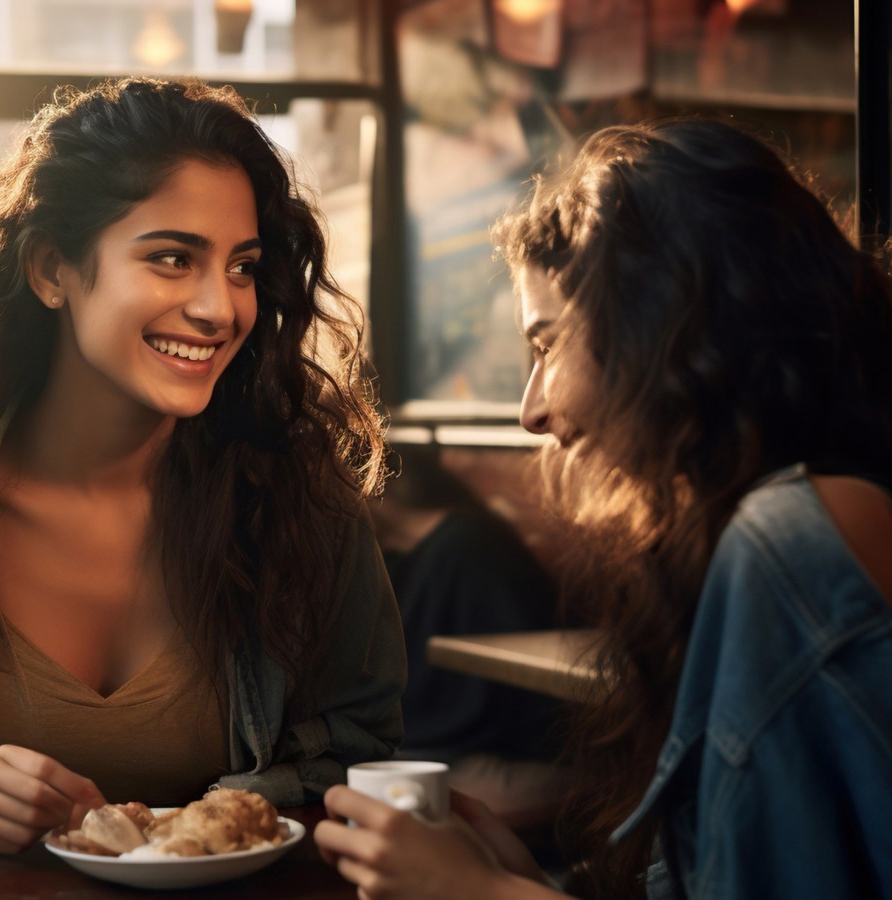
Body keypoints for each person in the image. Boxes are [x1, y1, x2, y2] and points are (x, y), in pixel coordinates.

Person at [0, 77, 406, 896]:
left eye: (242, 267)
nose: (219, 306)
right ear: (53, 269)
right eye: (171, 257)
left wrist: (221, 819)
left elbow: (365, 760)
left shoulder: (301, 505)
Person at [316, 117, 892, 899]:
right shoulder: (771, 523)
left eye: (547, 346)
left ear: (662, 322)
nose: (531, 410)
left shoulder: (798, 538)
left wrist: (483, 896)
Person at [370, 442, 568, 830]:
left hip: (490, 754)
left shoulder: (469, 546)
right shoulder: (383, 562)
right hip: (421, 751)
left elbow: (531, 707)